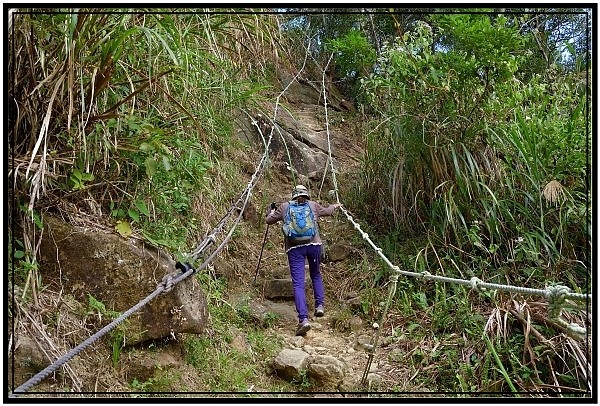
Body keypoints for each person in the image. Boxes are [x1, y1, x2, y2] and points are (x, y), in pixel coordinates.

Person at [266, 185, 342, 336]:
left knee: (298, 284)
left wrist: (271, 211)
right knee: (315, 274)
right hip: (314, 246)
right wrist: (335, 206)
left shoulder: (284, 207)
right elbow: (328, 211)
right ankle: (319, 306)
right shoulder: (313, 205)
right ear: (306, 195)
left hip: (295, 249)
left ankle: (303, 320)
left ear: (293, 195)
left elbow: (268, 220)